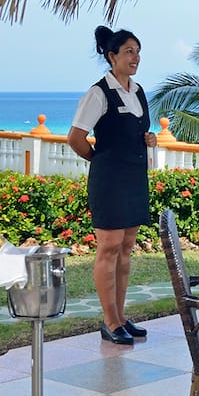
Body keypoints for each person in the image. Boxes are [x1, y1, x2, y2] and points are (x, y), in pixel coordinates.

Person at [69, 26, 156, 345]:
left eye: (138, 51)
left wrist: (149, 138)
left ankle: (120, 316)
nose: (135, 57)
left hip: (134, 178)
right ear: (112, 56)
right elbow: (75, 138)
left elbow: (136, 129)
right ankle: (109, 321)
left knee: (126, 248)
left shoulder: (138, 91)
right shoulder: (98, 93)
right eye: (129, 52)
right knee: (109, 247)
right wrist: (100, 159)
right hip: (109, 180)